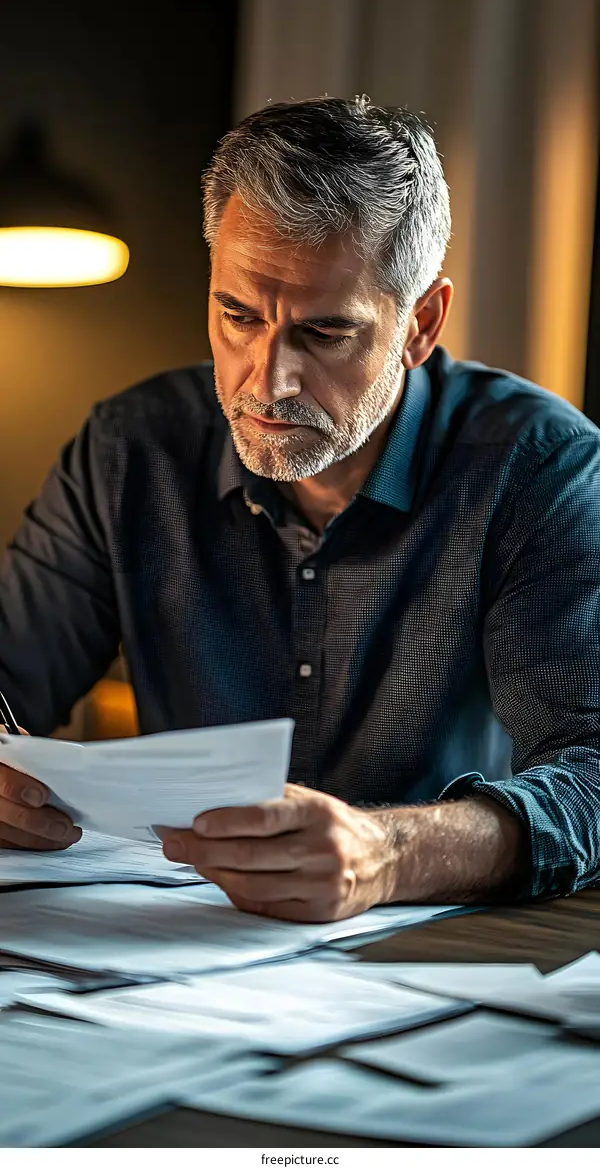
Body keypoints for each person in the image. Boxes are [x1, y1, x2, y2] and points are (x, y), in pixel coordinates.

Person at [0, 96, 599, 922]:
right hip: (173, 944)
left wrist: (387, 855)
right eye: (237, 316)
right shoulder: (129, 448)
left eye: (322, 334)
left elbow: (594, 770)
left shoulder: (538, 466)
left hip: (433, 958)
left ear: (421, 323)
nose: (266, 380)